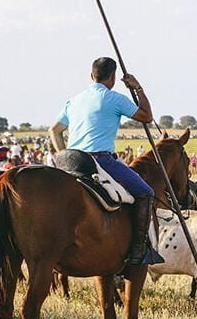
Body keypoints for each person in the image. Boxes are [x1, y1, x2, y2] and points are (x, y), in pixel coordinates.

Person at [49, 56, 162, 265]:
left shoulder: (74, 100)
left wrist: (63, 155)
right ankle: (138, 252)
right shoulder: (114, 98)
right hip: (101, 161)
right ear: (112, 78)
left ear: (91, 76)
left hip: (71, 160)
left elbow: (54, 131)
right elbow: (147, 117)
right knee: (146, 192)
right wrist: (138, 88)